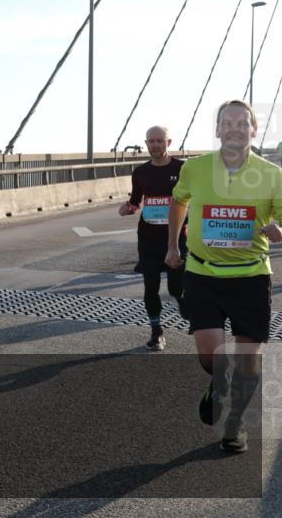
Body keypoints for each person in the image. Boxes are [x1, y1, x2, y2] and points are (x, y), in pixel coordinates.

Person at [166, 100, 281, 453]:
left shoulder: (273, 175)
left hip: (250, 277)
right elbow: (179, 201)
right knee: (210, 356)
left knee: (250, 362)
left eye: (241, 123)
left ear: (253, 130)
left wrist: (279, 229)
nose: (234, 128)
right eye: (226, 123)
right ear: (217, 130)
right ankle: (219, 379)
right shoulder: (196, 169)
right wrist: (173, 246)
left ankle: (235, 425)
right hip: (203, 273)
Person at [118, 126, 187, 350]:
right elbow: (136, 201)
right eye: (151, 141)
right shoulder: (140, 172)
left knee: (177, 288)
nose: (155, 145)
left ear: (169, 142)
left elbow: (194, 199)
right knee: (151, 287)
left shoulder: (183, 168)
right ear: (146, 144)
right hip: (149, 238)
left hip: (177, 238)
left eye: (160, 141)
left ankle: (182, 302)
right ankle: (156, 331)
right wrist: (128, 208)